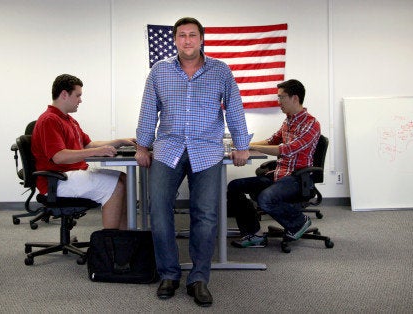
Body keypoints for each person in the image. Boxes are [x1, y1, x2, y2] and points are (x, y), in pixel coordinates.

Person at [135, 17, 250, 307]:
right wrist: (142, 146)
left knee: (206, 215)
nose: (187, 40)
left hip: (207, 148)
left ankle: (198, 278)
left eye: (192, 35)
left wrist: (241, 145)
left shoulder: (220, 71)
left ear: (202, 39)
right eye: (182, 35)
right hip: (168, 147)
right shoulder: (159, 71)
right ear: (175, 40)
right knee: (158, 208)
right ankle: (170, 274)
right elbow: (149, 112)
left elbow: (234, 109)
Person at [31, 74, 134, 230]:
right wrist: (97, 152)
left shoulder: (69, 120)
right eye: (78, 95)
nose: (80, 100)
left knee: (124, 179)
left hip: (71, 175)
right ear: (64, 94)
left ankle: (125, 237)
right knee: (115, 186)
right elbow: (59, 157)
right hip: (57, 181)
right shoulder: (49, 120)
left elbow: (88, 145)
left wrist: (119, 141)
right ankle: (110, 245)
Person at [227, 79, 320, 248]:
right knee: (235, 186)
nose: (278, 102)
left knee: (266, 198)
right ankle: (253, 234)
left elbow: (287, 149)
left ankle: (299, 221)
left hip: (297, 179)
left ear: (295, 98)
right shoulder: (288, 121)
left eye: (281, 97)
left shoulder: (311, 124)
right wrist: (241, 145)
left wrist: (249, 147)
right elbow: (272, 141)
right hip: (279, 175)